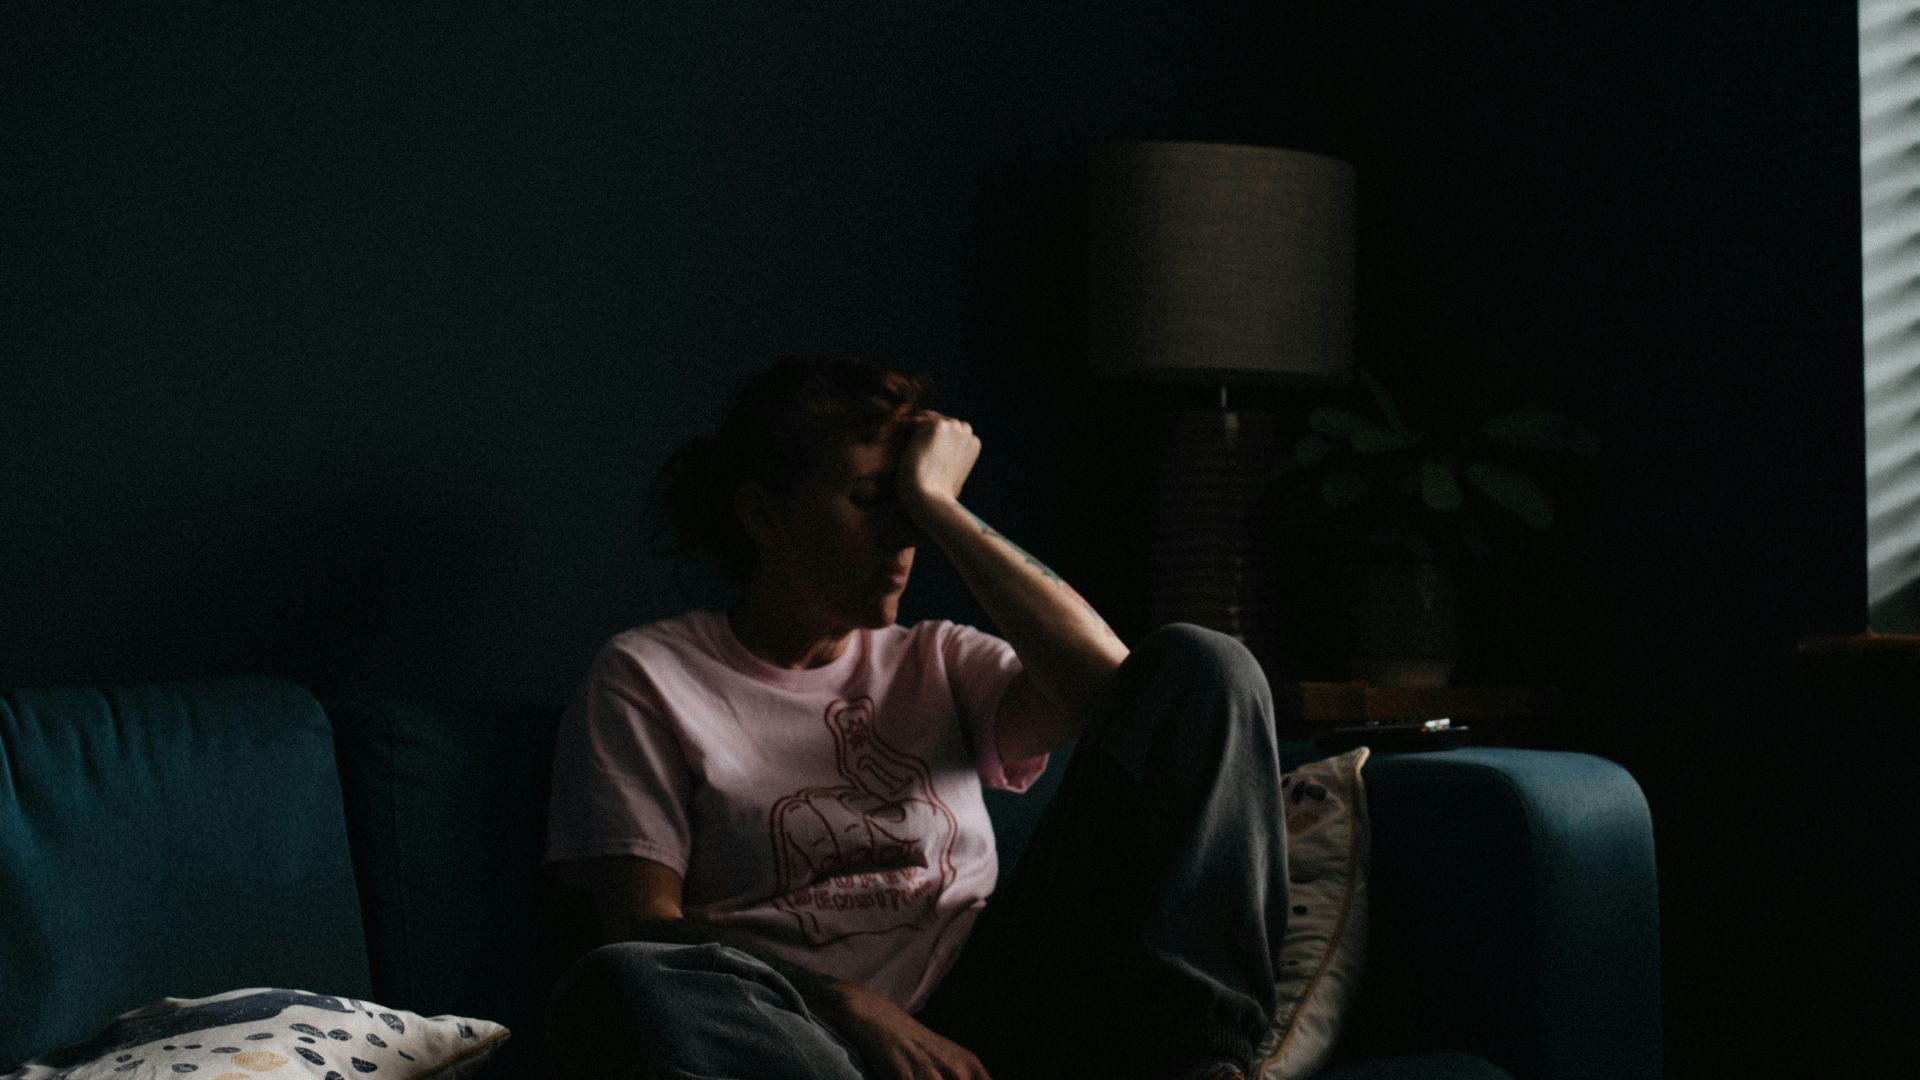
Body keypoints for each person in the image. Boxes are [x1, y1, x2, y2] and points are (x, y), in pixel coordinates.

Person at [542, 356, 1290, 1080]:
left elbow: (1130, 696)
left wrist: (944, 507)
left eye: (912, 510)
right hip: (807, 1035)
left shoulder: (938, 659)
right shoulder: (647, 676)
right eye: (873, 501)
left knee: (1207, 662)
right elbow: (645, 927)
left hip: (1002, 1006)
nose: (904, 539)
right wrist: (854, 1008)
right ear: (763, 514)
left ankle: (1206, 1067)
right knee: (624, 983)